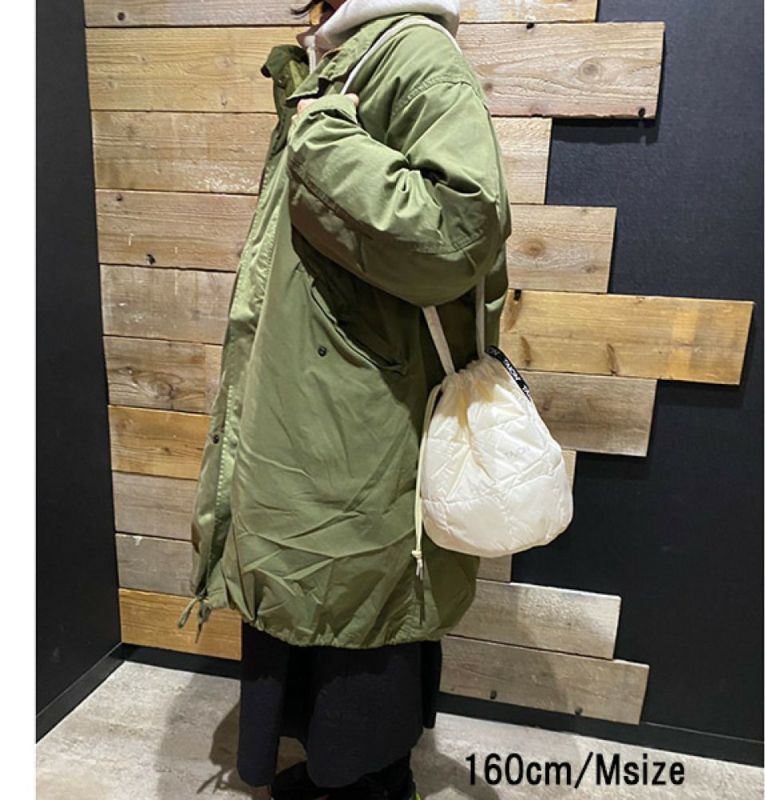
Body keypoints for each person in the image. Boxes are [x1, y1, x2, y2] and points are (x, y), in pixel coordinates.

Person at [176, 0, 512, 797]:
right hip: (315, 402)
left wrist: (323, 136)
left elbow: (459, 230)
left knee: (360, 598)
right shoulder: (340, 57)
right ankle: (338, 776)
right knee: (313, 589)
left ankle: (365, 783)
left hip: (361, 415)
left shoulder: (416, 54)